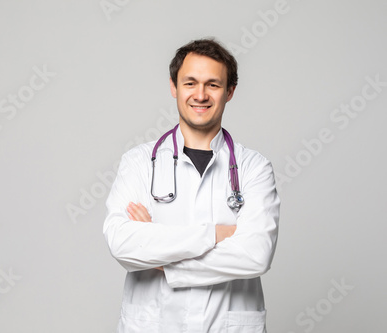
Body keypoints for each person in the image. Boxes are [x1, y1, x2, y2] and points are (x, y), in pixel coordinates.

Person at [103, 38, 280, 333]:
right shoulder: (138, 162)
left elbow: (255, 255)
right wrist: (218, 234)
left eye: (213, 84)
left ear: (230, 91)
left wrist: (161, 259)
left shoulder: (253, 168)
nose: (200, 95)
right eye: (190, 83)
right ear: (174, 87)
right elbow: (122, 243)